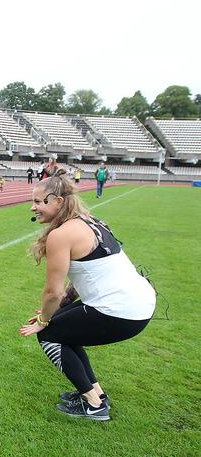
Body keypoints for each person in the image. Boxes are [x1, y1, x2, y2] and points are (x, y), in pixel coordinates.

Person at [19, 171, 155, 421]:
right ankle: (97, 394)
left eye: (39, 202)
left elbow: (53, 292)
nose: (33, 207)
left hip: (121, 310)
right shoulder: (90, 220)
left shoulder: (61, 235)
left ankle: (93, 405)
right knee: (63, 327)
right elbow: (81, 280)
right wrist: (56, 312)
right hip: (137, 302)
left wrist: (44, 320)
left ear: (57, 201)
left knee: (49, 334)